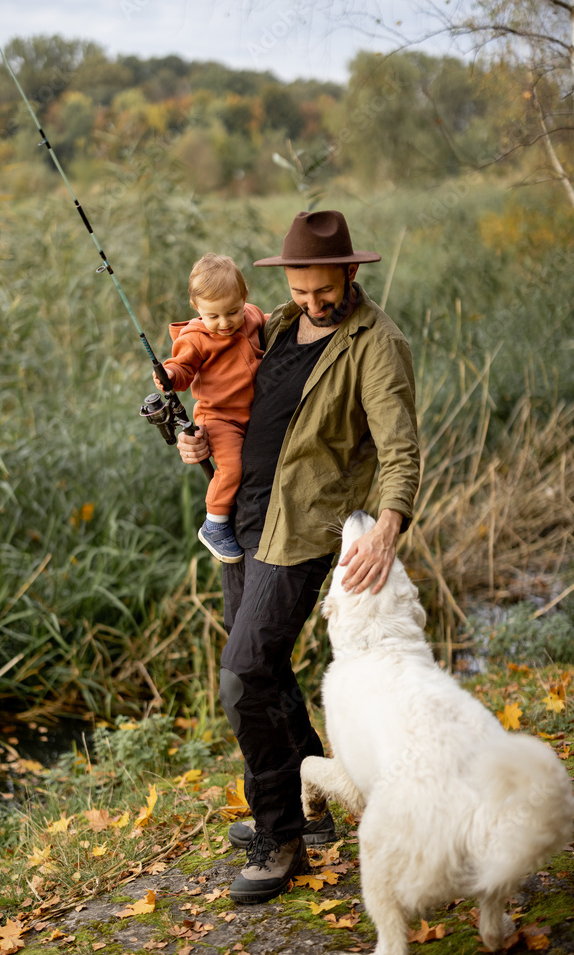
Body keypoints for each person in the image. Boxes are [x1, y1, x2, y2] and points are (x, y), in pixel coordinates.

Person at [177, 210, 421, 905]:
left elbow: (400, 445)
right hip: (243, 516)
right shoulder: (275, 325)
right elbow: (231, 400)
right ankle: (307, 803)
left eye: (324, 291)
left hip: (303, 529)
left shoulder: (377, 343)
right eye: (301, 291)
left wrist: (387, 526)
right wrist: (193, 442)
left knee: (243, 674)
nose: (312, 303)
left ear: (350, 273)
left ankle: (277, 834)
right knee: (264, 667)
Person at [154, 253, 266, 563]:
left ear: (244, 298)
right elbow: (182, 367)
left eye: (233, 311)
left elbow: (272, 326)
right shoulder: (197, 339)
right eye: (212, 316)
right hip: (219, 418)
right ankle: (214, 524)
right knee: (232, 467)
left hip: (253, 413)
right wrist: (170, 376)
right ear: (197, 309)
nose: (225, 323)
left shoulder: (253, 316)